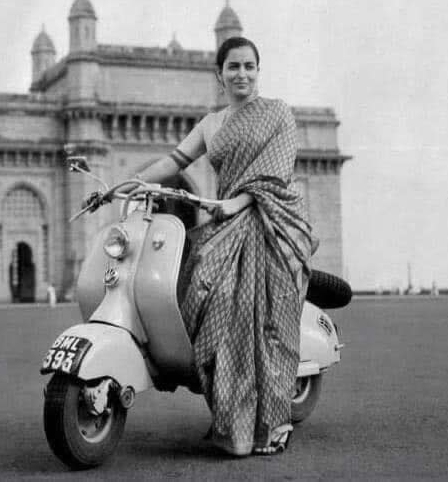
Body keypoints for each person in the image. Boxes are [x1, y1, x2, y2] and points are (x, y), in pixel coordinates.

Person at [133, 36, 315, 456]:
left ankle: (272, 423)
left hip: (269, 223)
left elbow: (276, 172)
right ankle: (233, 421)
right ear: (219, 75)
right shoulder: (211, 124)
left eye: (250, 66)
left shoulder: (278, 114)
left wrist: (238, 200)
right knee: (198, 297)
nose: (242, 74)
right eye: (233, 67)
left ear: (258, 70)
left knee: (261, 318)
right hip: (224, 223)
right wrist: (133, 182)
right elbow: (173, 163)